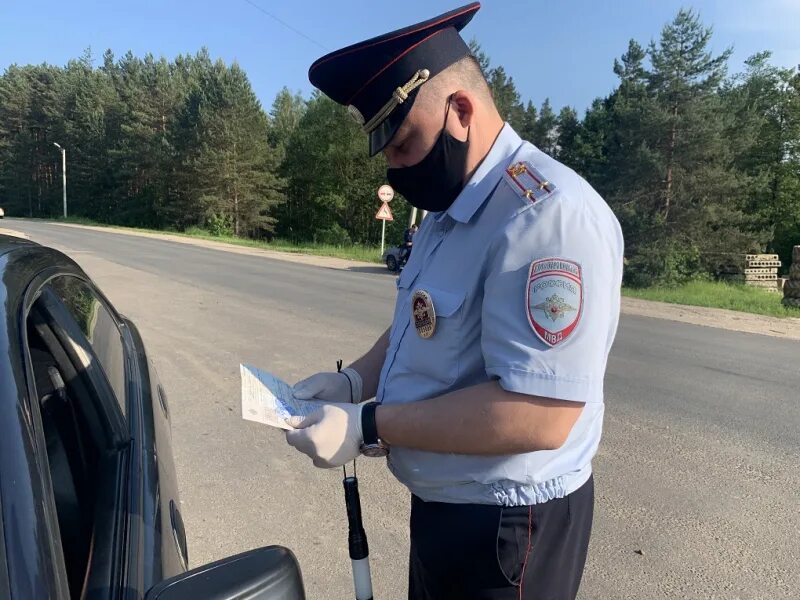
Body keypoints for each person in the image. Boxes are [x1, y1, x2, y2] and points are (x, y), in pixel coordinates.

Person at [285, 3, 624, 599]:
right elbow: (420, 325)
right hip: (447, 507)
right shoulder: (450, 211)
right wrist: (353, 384)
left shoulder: (545, 216)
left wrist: (367, 423)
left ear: (460, 111)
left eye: (403, 141)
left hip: (509, 531)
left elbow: (539, 413)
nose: (393, 165)